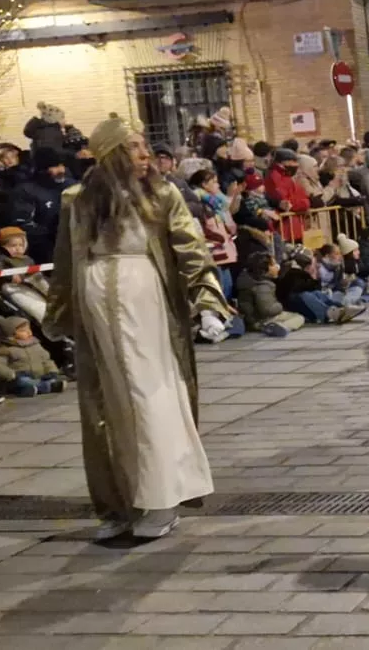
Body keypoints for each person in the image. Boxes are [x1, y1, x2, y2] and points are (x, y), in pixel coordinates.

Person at [45, 113, 233, 541]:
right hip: (95, 305)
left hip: (144, 303)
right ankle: (119, 503)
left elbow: (191, 248)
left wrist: (206, 298)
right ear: (111, 152)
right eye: (134, 146)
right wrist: (58, 313)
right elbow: (64, 260)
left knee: (150, 393)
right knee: (104, 406)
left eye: (145, 145)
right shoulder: (77, 199)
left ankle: (162, 498)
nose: (145, 154)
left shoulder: (161, 195)